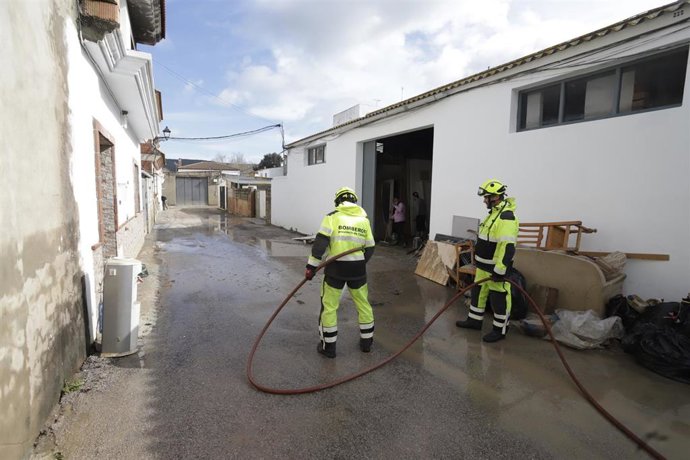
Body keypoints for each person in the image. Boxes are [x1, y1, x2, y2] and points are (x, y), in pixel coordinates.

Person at [305, 187, 376, 358]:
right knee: (363, 304)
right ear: (354, 201)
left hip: (335, 270)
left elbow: (320, 245)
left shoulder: (332, 217)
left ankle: (329, 347)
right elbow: (370, 247)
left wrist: (311, 267)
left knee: (329, 307)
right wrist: (358, 262)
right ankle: (366, 344)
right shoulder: (363, 220)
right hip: (358, 271)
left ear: (338, 201)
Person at [456, 179, 519, 343]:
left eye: (486, 197)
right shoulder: (493, 214)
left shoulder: (506, 217)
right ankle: (474, 321)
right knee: (478, 293)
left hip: (496, 269)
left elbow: (507, 246)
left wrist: (500, 270)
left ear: (495, 197)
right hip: (483, 265)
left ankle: (500, 330)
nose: (484, 201)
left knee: (499, 297)